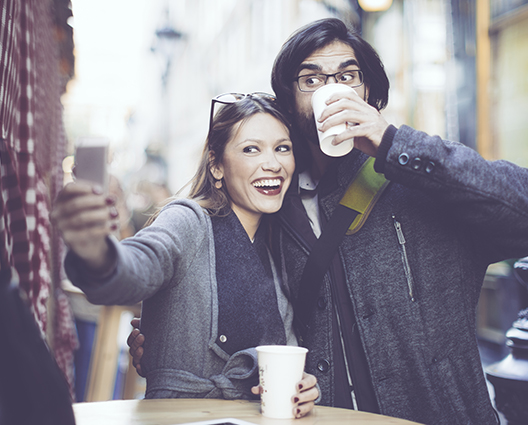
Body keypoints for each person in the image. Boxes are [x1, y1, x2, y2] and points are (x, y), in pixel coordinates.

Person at [128, 18, 528, 424]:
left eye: (348, 76)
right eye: (311, 79)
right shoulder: (272, 205)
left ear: (369, 92)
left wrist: (391, 142)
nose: (332, 89)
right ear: (289, 101)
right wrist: (169, 340)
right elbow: (233, 301)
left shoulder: (423, 177)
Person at [52, 94, 319, 418]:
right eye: (251, 149)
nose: (273, 164)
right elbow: (134, 268)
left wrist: (304, 388)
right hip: (178, 418)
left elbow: (287, 352)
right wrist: (95, 249)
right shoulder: (187, 221)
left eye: (282, 148)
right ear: (216, 165)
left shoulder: (280, 244)